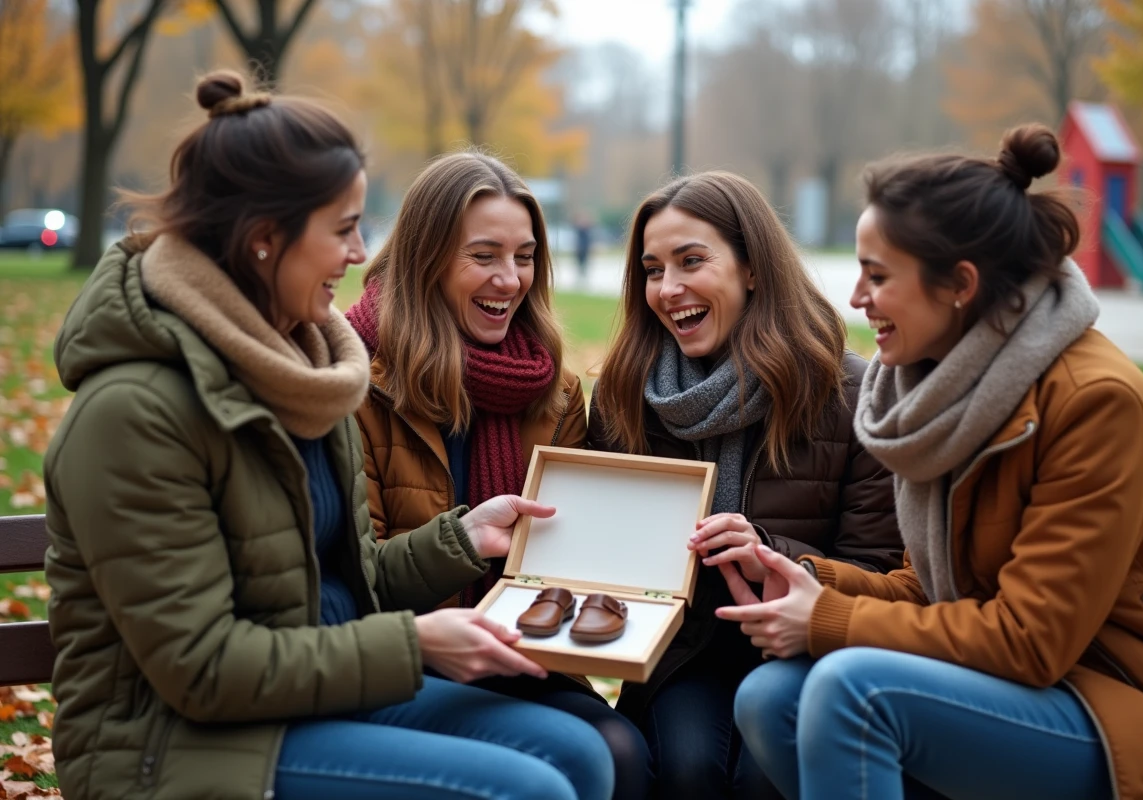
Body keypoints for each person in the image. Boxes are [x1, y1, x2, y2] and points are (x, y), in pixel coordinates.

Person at [42, 71, 614, 800]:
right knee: (528, 790)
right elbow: (202, 669)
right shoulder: (135, 411)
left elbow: (349, 583)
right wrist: (414, 643)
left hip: (310, 702)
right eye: (343, 228)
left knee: (585, 755)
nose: (359, 252)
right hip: (175, 744)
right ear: (263, 241)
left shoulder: (308, 371)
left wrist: (461, 539)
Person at [727, 124, 1143, 800]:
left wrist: (828, 621)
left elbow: (1030, 639)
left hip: (1136, 706)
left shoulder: (1097, 402)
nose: (857, 298)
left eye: (878, 275)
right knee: (772, 696)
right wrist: (805, 578)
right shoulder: (943, 392)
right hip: (1025, 689)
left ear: (960, 285)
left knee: (849, 689)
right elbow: (936, 595)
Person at [344, 151, 652, 798]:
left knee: (623, 748)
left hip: (520, 654)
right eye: (483, 256)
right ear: (426, 260)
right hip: (404, 658)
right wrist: (462, 543)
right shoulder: (355, 385)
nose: (509, 280)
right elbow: (352, 581)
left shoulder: (555, 391)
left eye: (525, 256)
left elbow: (570, 567)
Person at [587, 171, 903, 799]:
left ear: (753, 268)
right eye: (652, 270)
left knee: (769, 778)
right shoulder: (627, 393)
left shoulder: (849, 394)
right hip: (684, 656)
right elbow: (603, 561)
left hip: (809, 655)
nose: (669, 289)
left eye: (691, 261)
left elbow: (879, 571)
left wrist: (763, 551)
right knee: (687, 768)